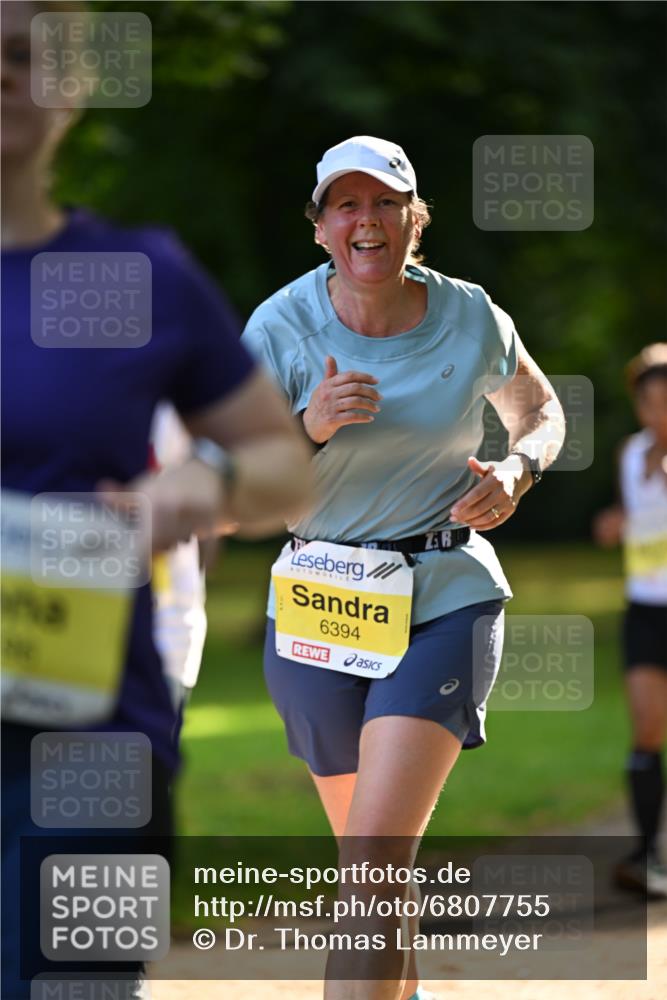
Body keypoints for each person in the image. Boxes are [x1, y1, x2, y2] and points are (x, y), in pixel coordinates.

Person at [1, 3, 312, 997]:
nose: (2, 76)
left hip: (90, 749)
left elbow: (282, 462)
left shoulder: (140, 277)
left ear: (73, 88)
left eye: (23, 56)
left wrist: (201, 481)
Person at [242, 135, 566, 1000]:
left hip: (443, 596)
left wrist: (517, 468)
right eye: (345, 205)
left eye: (384, 202)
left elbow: (538, 408)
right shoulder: (278, 328)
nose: (367, 220)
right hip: (317, 607)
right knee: (370, 872)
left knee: (374, 867)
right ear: (319, 228)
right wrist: (306, 428)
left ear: (413, 219)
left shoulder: (470, 315)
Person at [593, 343, 667, 898]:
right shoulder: (629, 454)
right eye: (653, 405)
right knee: (646, 728)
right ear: (640, 408)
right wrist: (614, 524)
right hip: (644, 608)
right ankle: (647, 855)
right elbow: (631, 517)